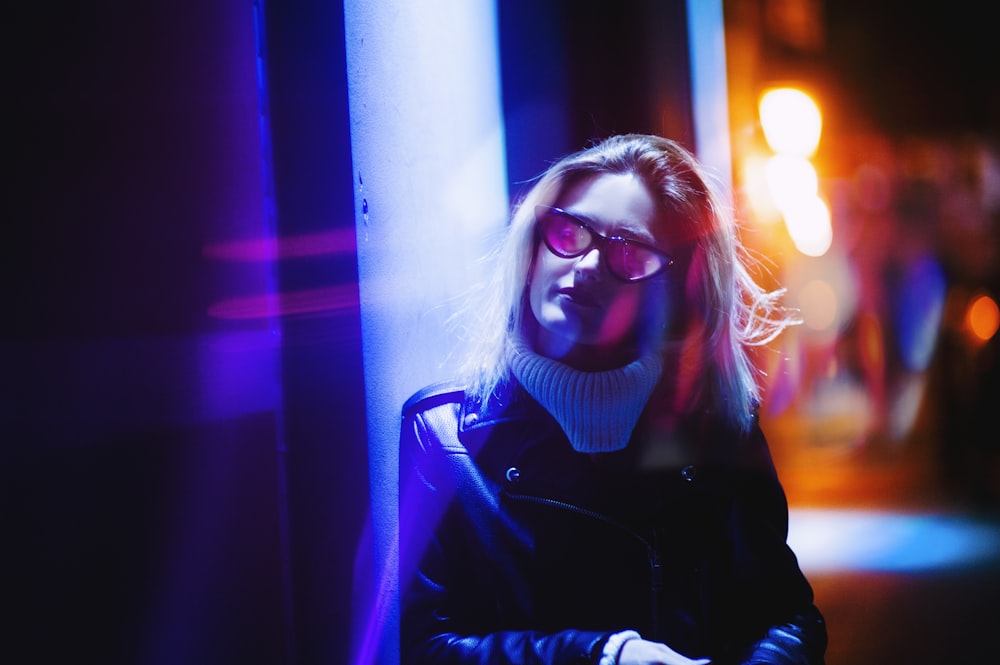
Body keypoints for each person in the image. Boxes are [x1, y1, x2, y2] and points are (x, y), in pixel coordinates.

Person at [398, 134, 827, 665]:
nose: (586, 265)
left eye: (629, 251)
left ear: (673, 292)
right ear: (533, 245)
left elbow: (786, 618)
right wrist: (606, 656)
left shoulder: (716, 430)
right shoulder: (444, 435)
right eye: (569, 231)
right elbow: (429, 650)